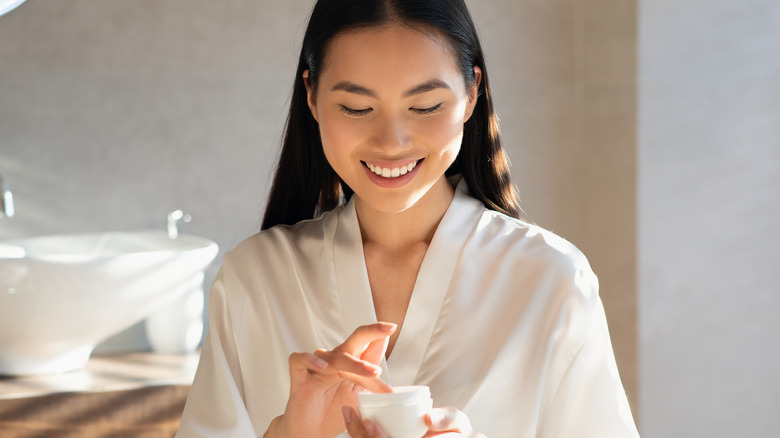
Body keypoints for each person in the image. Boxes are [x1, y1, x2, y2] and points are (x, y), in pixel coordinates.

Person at [177, 0, 640, 437]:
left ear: (472, 93)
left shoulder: (550, 280)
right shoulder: (254, 280)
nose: (391, 142)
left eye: (425, 106)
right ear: (312, 97)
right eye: (356, 107)